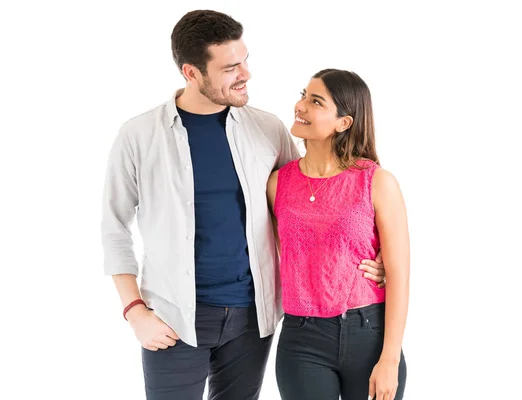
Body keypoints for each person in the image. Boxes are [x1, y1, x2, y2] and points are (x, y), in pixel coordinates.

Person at [101, 10, 386, 400]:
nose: (246, 74)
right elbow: (114, 226)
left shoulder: (267, 129)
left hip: (252, 318)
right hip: (173, 318)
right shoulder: (139, 136)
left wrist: (376, 255)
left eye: (245, 60)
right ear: (192, 73)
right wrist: (134, 310)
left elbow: (316, 202)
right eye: (230, 67)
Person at [267, 69, 410, 400]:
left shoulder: (376, 182)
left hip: (369, 335)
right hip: (301, 340)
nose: (300, 106)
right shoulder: (277, 185)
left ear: (343, 123)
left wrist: (389, 358)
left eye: (315, 101)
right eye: (303, 95)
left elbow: (400, 276)